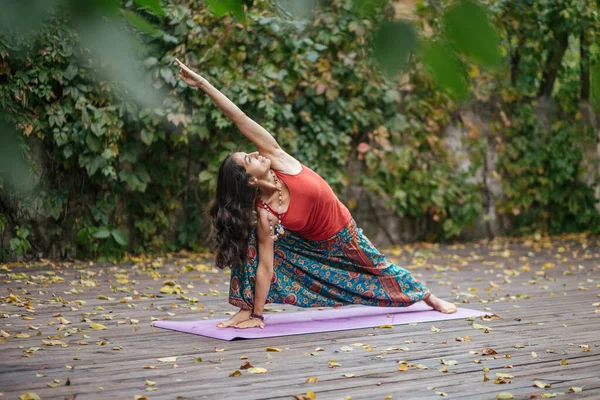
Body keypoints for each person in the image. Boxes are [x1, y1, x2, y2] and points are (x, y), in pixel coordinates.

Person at [175, 58, 457, 330]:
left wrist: (202, 83)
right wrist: (259, 316)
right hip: (310, 246)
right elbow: (265, 267)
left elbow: (240, 118)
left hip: (343, 235)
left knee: (380, 269)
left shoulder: (277, 158)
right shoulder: (265, 213)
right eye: (249, 158)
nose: (255, 152)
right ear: (250, 181)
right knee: (250, 245)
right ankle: (247, 310)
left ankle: (427, 297)